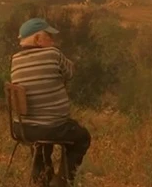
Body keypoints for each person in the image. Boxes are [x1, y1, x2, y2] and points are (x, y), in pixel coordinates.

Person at [10, 17, 91, 186]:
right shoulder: (52, 53)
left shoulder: (15, 59)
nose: (52, 41)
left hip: (22, 128)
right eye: (49, 37)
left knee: (39, 137)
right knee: (82, 137)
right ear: (38, 39)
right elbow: (70, 73)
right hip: (52, 127)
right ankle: (62, 181)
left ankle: (41, 179)